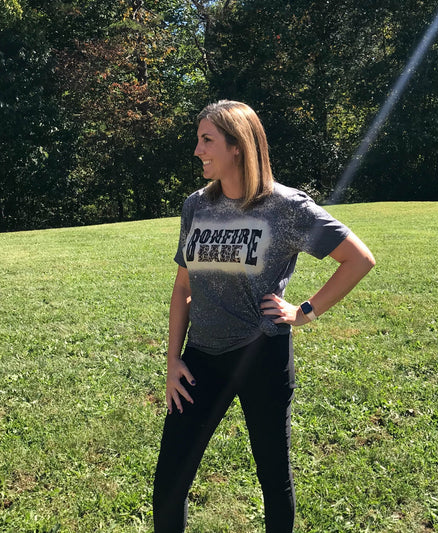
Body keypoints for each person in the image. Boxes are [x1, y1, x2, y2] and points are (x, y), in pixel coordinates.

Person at [153, 100, 375, 532]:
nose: (197, 150)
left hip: (263, 357)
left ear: (237, 145)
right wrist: (173, 359)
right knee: (169, 484)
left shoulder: (285, 206)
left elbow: (359, 259)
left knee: (273, 480)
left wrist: (304, 312)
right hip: (200, 359)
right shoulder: (196, 205)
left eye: (207, 140)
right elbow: (182, 288)